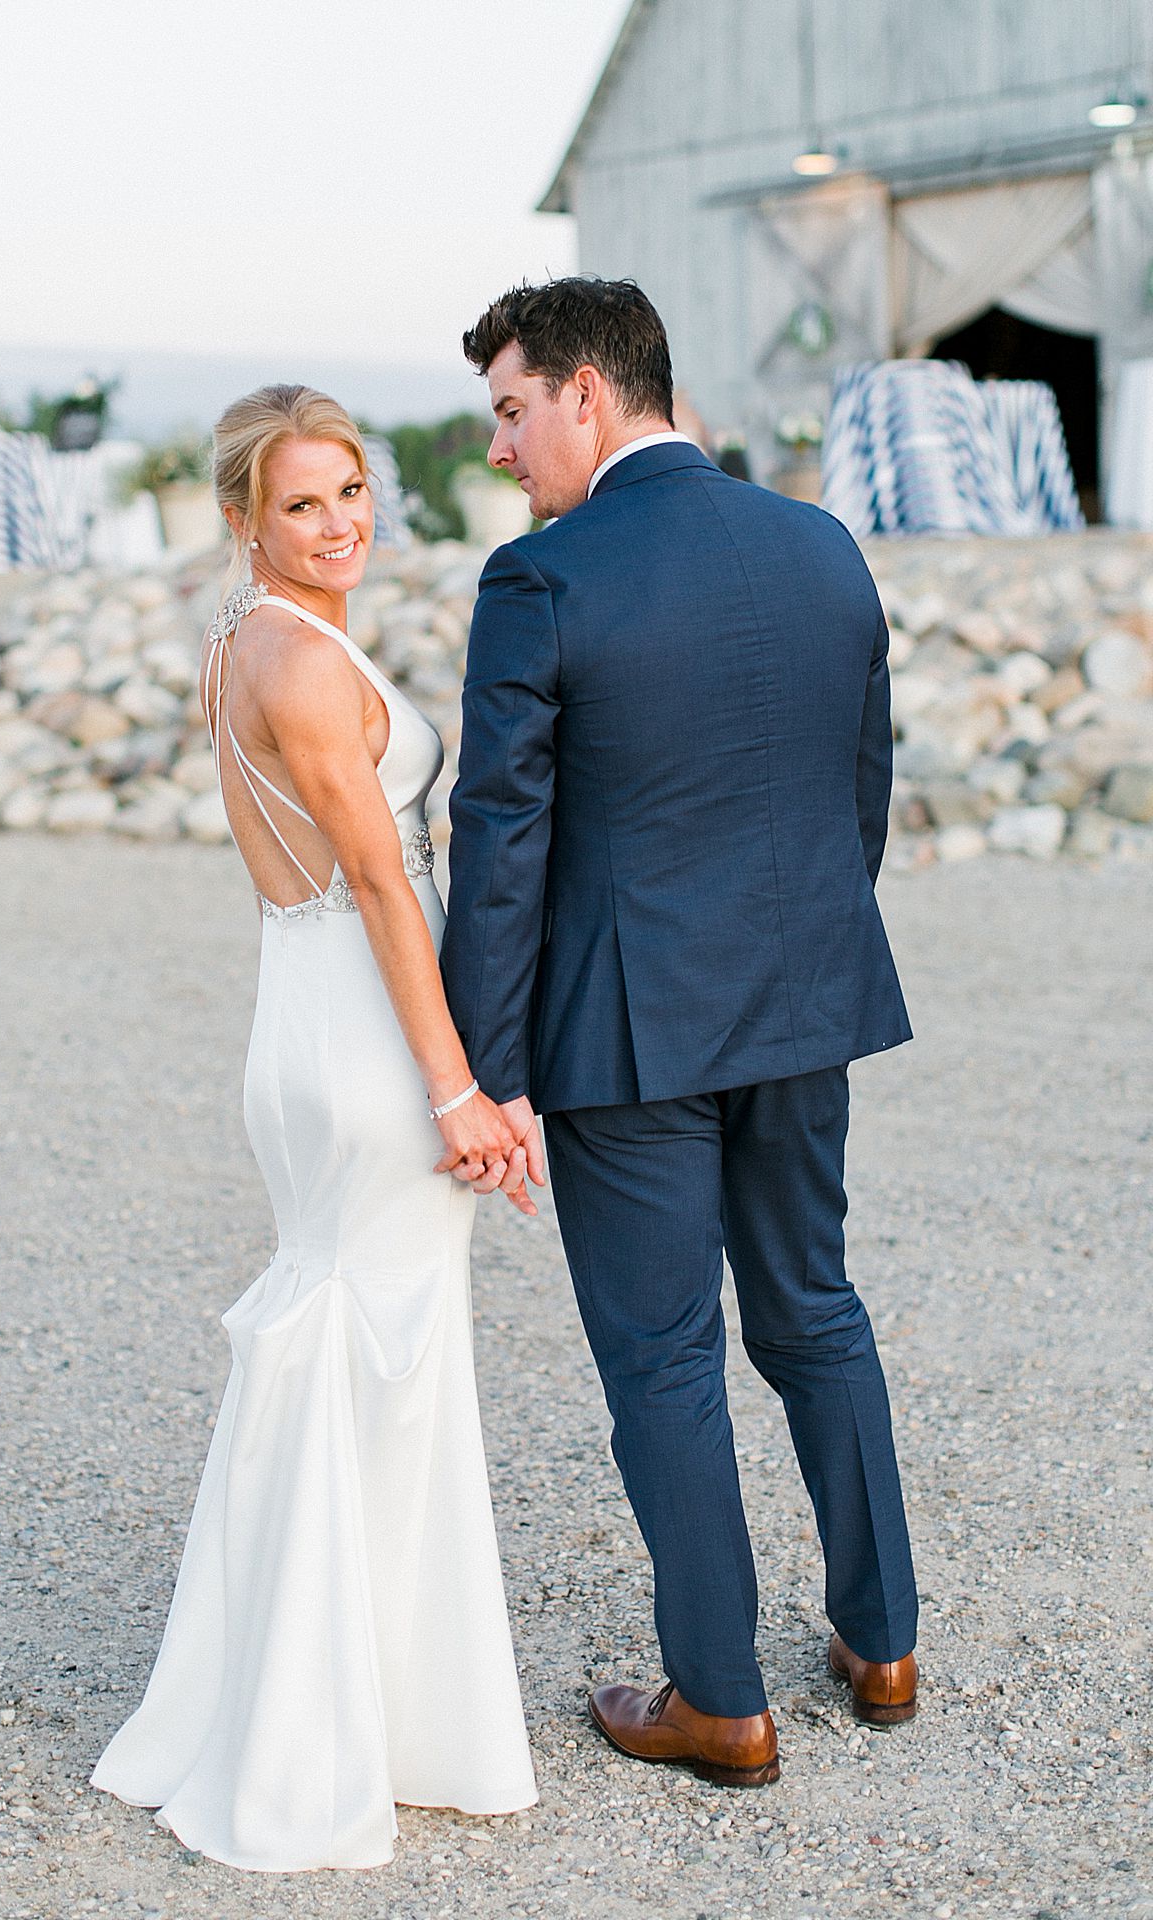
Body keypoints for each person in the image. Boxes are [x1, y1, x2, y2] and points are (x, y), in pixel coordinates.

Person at [441, 278, 920, 1790]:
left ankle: (720, 1700)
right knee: (815, 1311)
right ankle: (883, 1642)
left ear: (589, 392)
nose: (506, 450)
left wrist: (481, 1070)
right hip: (802, 1005)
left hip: (630, 1035)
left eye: (513, 410)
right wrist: (800, 955)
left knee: (663, 1358)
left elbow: (500, 841)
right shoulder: (821, 545)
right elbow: (861, 801)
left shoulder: (545, 580)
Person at [91, 384, 537, 1870]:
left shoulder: (244, 640)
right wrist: (459, 1086)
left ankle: (334, 1702)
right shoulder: (296, 661)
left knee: (344, 1353)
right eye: (303, 503)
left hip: (300, 1008)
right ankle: (307, 1737)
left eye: (352, 492)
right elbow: (387, 884)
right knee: (374, 1369)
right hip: (358, 1030)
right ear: (244, 518)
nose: (341, 523)